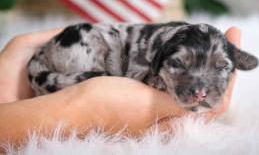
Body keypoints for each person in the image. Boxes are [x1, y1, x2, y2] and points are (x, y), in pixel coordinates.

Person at [0, 26, 240, 147]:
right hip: (77, 45)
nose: (200, 90)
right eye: (178, 64)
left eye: (219, 67)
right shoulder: (158, 47)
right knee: (85, 35)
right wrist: (85, 108)